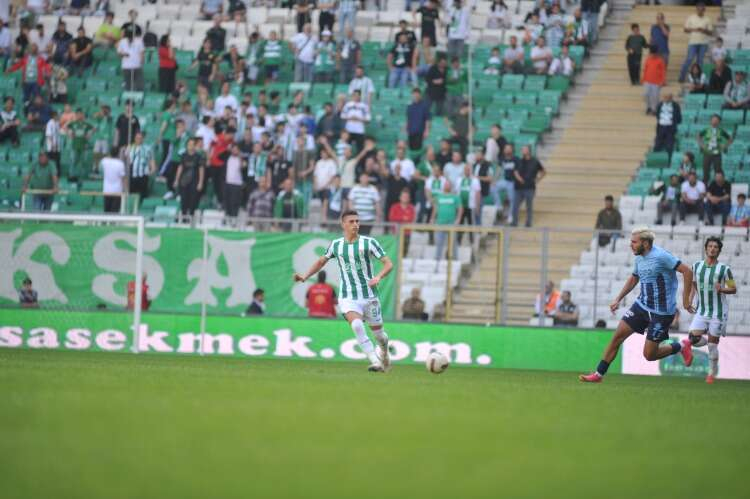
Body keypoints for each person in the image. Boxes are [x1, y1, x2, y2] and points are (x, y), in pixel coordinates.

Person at [579, 227, 695, 383]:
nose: (631, 245)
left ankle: (681, 346)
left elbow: (687, 271)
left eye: (634, 242)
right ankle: (598, 374)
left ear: (646, 243)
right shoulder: (639, 257)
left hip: (661, 312)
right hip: (641, 306)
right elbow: (634, 278)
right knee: (617, 337)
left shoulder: (661, 256)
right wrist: (618, 298)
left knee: (649, 355)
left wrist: (686, 300)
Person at [294, 210, 394, 372]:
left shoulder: (369, 243)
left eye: (357, 221)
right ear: (343, 224)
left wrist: (379, 277)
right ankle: (375, 361)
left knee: (379, 336)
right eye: (351, 221)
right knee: (356, 325)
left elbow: (388, 264)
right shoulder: (336, 245)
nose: (355, 224)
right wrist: (305, 276)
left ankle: (384, 351)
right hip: (348, 296)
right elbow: (321, 262)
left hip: (369, 295)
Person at [687, 237, 737, 384]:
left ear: (719, 251)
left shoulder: (724, 269)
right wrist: (690, 299)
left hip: (718, 312)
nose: (712, 249)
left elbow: (733, 288)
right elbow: (694, 285)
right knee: (692, 339)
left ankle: (711, 373)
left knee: (712, 345)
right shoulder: (696, 266)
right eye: (710, 246)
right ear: (706, 248)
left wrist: (722, 289)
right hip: (702, 311)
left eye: (716, 247)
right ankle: (709, 347)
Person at [679, 2, 713, 83]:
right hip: (693, 42)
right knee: (689, 59)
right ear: (696, 9)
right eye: (698, 9)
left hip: (703, 43)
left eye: (702, 9)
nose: (700, 11)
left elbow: (711, 32)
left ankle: (698, 79)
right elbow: (685, 29)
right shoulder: (691, 17)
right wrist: (694, 29)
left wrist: (704, 30)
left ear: (704, 10)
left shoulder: (708, 19)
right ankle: (681, 77)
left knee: (700, 62)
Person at [512, 145, 545, 227]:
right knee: (515, 205)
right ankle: (514, 222)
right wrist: (519, 178)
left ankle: (528, 222)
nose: (522, 151)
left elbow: (543, 171)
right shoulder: (519, 161)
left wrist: (537, 179)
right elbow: (515, 172)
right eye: (522, 149)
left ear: (529, 151)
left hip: (530, 187)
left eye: (524, 149)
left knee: (529, 206)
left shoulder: (535, 161)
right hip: (518, 187)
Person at [173, 138, 205, 218]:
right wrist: (176, 180)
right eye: (189, 145)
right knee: (184, 200)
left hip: (194, 182)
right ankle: (184, 218)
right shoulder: (183, 155)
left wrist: (200, 182)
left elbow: (201, 170)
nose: (191, 146)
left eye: (193, 144)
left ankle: (191, 218)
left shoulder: (199, 156)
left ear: (195, 146)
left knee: (193, 201)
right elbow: (180, 168)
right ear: (187, 146)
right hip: (183, 182)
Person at [431, 180, 462, 261]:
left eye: (448, 185)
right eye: (445, 184)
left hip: (451, 222)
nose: (447, 186)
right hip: (440, 222)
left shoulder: (455, 197)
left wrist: (458, 219)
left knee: (453, 242)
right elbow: (435, 208)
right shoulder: (439, 197)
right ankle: (437, 259)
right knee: (439, 242)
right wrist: (432, 218)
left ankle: (455, 258)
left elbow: (460, 209)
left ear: (451, 186)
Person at [697, 114, 732, 183]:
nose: (714, 122)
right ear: (710, 121)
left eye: (716, 120)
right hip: (707, 153)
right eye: (713, 120)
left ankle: (719, 185)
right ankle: (705, 187)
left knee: (718, 171)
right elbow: (698, 136)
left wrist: (725, 146)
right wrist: (702, 145)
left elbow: (730, 139)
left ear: (719, 122)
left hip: (717, 154)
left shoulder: (721, 131)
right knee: (706, 171)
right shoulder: (706, 130)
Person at [125, 131, 156, 207]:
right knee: (131, 193)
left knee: (143, 193)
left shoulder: (148, 148)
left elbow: (151, 160)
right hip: (132, 175)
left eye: (140, 138)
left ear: (143, 139)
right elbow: (127, 160)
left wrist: (152, 170)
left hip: (143, 175)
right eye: (137, 138)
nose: (139, 139)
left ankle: (141, 208)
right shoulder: (130, 147)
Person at [67, 108, 94, 183]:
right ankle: (72, 176)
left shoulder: (86, 124)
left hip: (84, 146)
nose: (79, 115)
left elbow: (93, 129)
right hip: (74, 145)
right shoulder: (72, 123)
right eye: (77, 114)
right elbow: (66, 128)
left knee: (83, 162)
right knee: (73, 161)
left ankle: (82, 177)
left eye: (80, 114)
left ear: (82, 115)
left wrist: (89, 134)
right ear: (75, 115)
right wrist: (69, 133)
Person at [653, 93, 681, 157]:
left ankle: (669, 159)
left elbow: (679, 117)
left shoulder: (675, 105)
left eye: (668, 97)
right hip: (661, 127)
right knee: (657, 144)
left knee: (669, 145)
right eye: (665, 97)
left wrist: (674, 123)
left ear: (671, 98)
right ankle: (655, 158)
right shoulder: (660, 105)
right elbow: (658, 115)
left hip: (670, 128)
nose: (666, 99)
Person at [642, 45, 666, 115]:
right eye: (652, 53)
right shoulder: (648, 59)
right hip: (647, 80)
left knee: (655, 96)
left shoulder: (660, 60)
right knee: (646, 94)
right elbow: (645, 69)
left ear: (657, 53)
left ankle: (655, 109)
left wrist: (662, 81)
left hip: (656, 82)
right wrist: (643, 79)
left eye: (654, 53)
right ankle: (648, 107)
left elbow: (663, 71)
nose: (653, 55)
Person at [405, 87, 431, 153]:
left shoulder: (425, 106)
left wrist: (427, 130)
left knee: (418, 150)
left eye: (417, 94)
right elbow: (408, 119)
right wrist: (406, 128)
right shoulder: (410, 106)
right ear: (412, 95)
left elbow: (427, 119)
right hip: (411, 131)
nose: (415, 96)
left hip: (420, 131)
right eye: (414, 94)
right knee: (411, 149)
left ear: (420, 95)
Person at [101, 147, 126, 213]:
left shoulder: (104, 161)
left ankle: (105, 222)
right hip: (117, 190)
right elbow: (123, 178)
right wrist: (124, 189)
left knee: (106, 210)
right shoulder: (120, 163)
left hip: (106, 190)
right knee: (114, 211)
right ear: (118, 154)